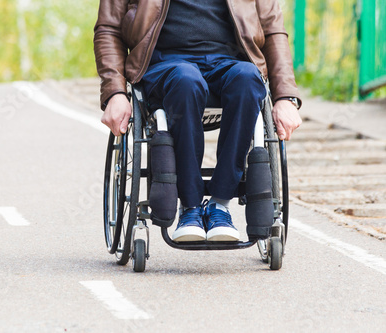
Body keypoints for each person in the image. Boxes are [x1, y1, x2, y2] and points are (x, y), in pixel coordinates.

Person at [94, 0, 302, 242]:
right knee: (186, 80)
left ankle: (219, 206)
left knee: (248, 79)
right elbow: (109, 28)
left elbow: (272, 29)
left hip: (230, 63)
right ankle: (190, 207)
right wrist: (115, 93)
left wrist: (285, 96)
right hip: (164, 65)